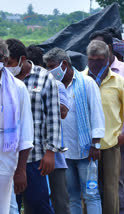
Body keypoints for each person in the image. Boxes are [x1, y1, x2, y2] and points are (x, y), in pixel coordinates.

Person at [43, 48, 105, 214]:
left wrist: (96, 144)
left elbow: (97, 114)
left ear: (64, 64)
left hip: (86, 150)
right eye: (47, 67)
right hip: (64, 153)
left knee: (91, 194)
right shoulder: (52, 86)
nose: (49, 71)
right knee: (72, 196)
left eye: (51, 66)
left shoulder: (87, 83)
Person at [89, 32, 124, 214]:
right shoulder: (83, 79)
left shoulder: (122, 78)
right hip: (87, 145)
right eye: (92, 60)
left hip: (113, 143)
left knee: (113, 186)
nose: (95, 64)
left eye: (99, 59)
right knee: (90, 187)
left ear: (107, 56)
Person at [6, 38, 61, 214]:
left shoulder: (45, 78)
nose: (6, 66)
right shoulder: (5, 80)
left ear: (22, 59)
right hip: (8, 157)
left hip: (35, 157)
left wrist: (51, 152)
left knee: (39, 205)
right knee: (10, 206)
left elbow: (53, 116)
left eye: (10, 63)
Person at [0, 39, 34, 214]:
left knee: (6, 207)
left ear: (5, 60)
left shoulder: (18, 88)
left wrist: (21, 170)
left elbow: (26, 134)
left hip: (6, 159)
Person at [48, 81, 71, 214]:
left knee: (60, 202)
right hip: (31, 155)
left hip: (55, 155)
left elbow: (63, 112)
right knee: (36, 201)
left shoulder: (56, 85)